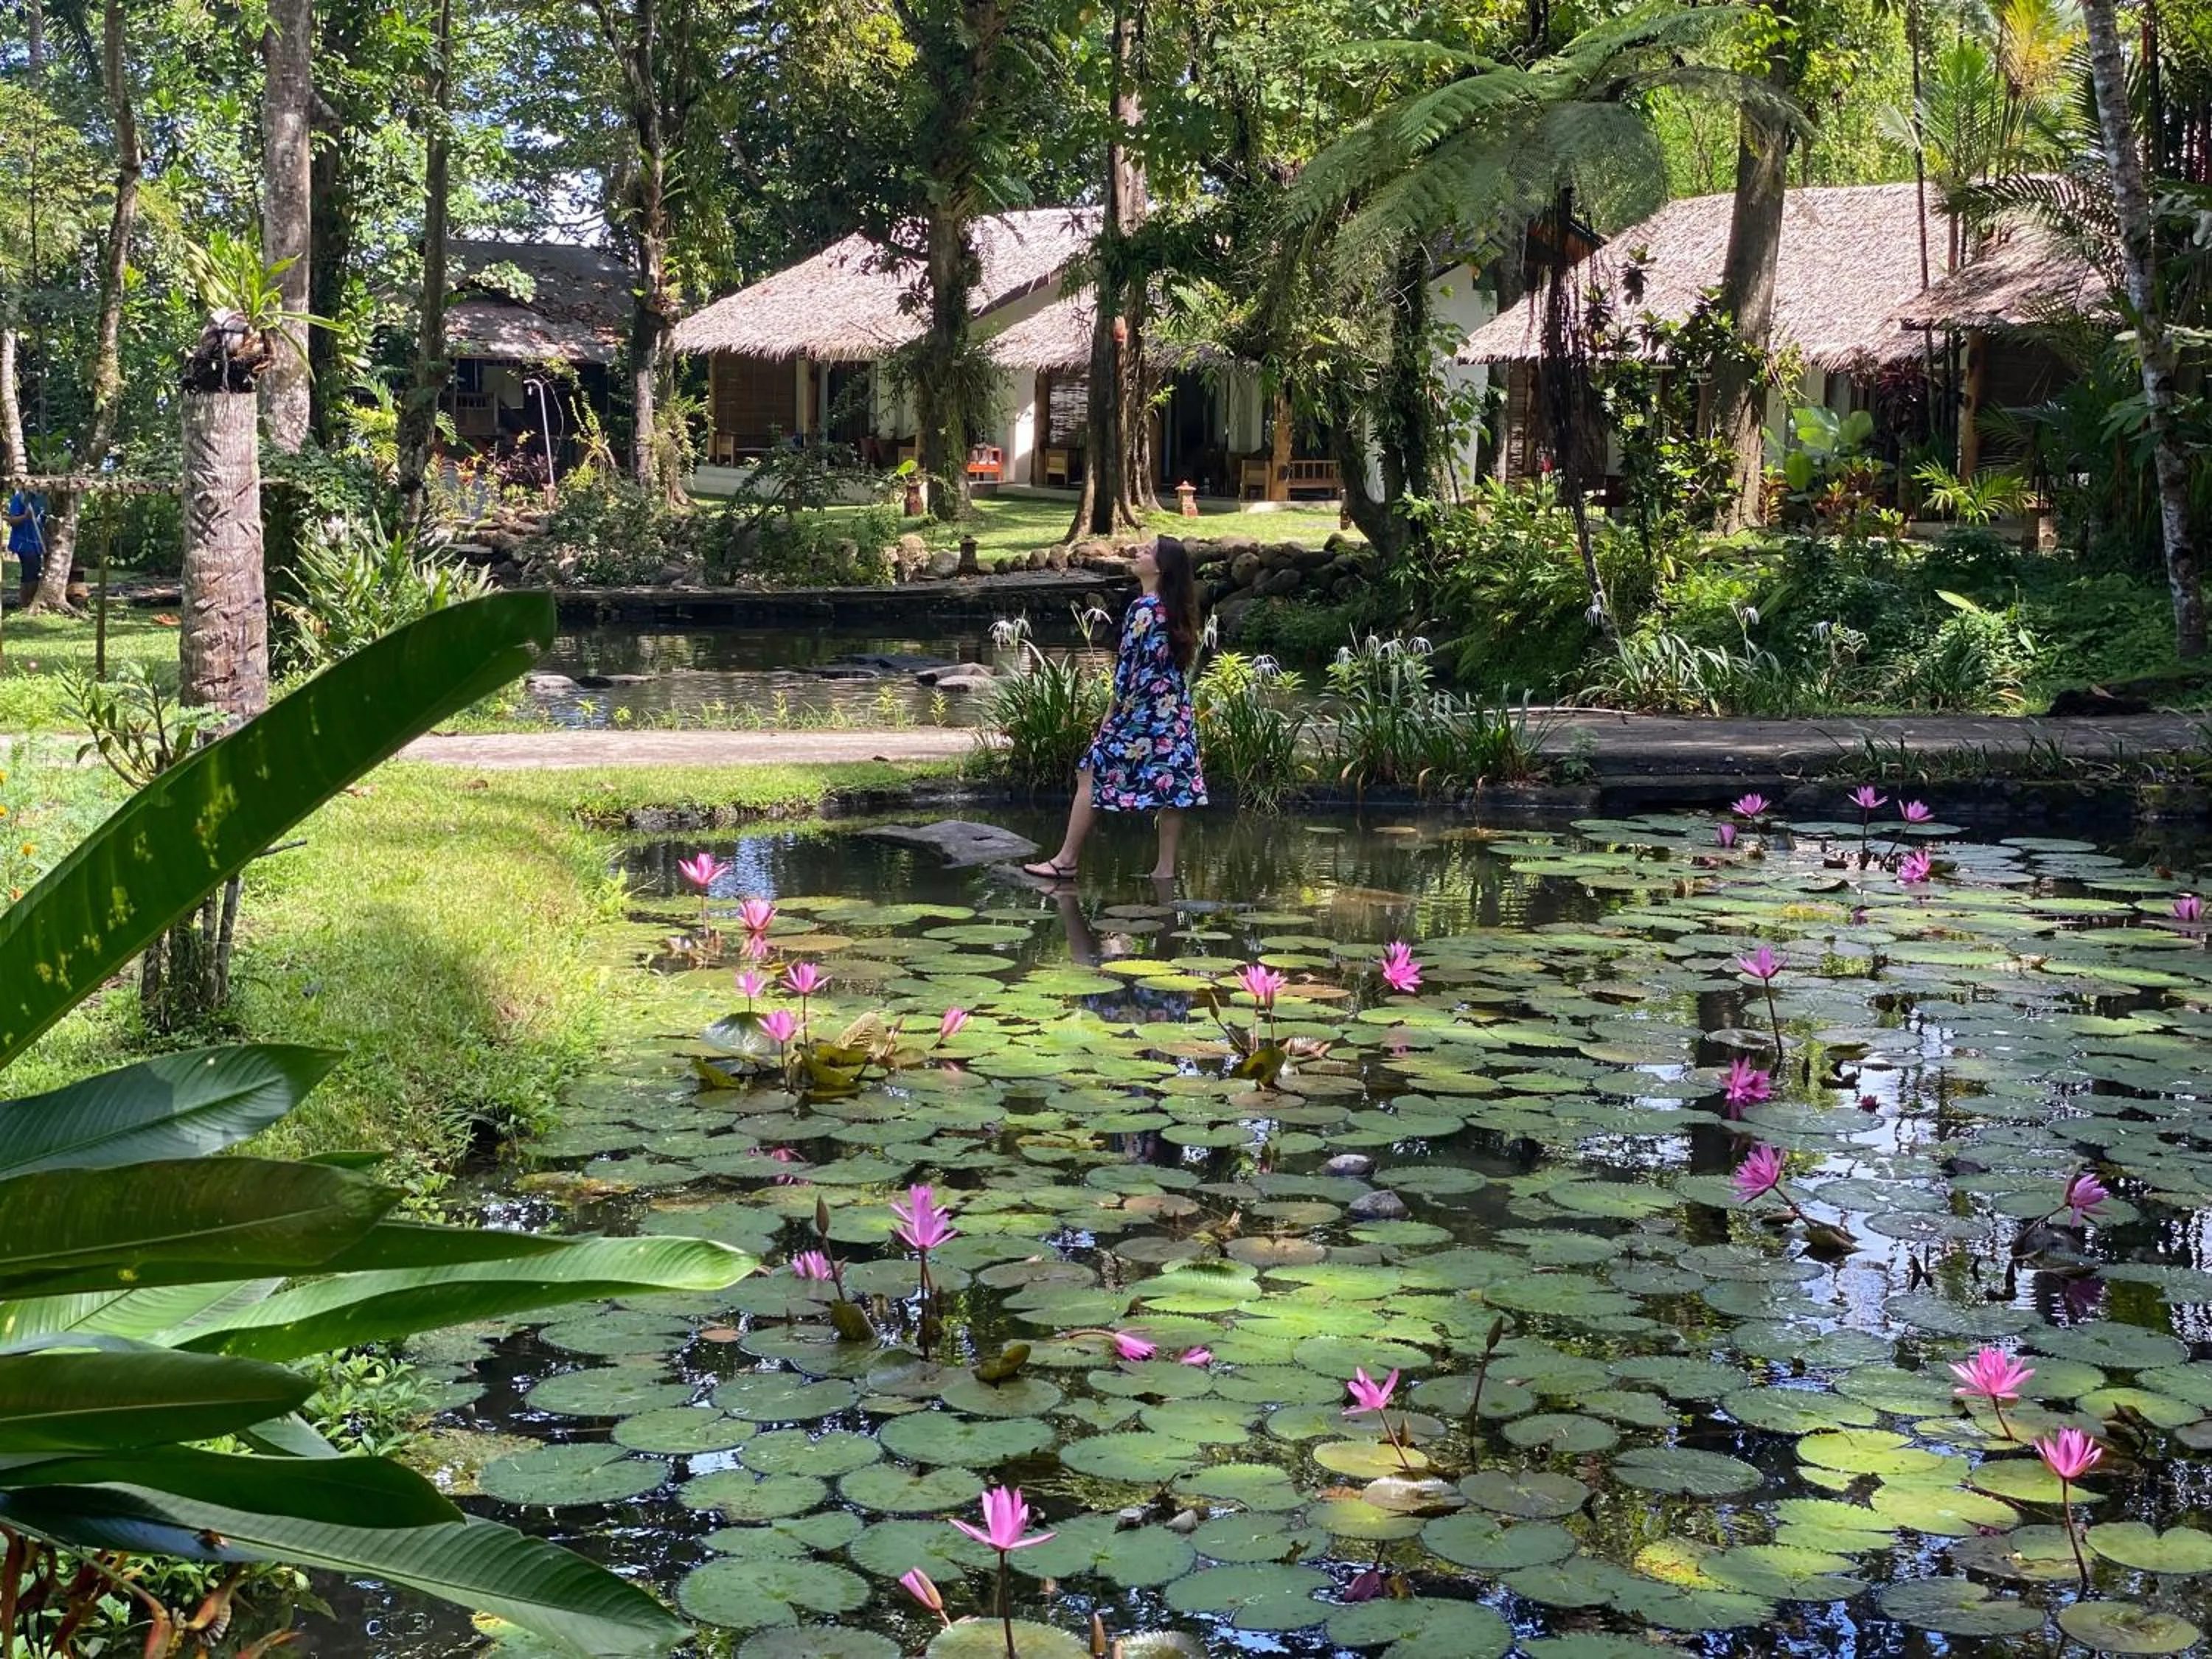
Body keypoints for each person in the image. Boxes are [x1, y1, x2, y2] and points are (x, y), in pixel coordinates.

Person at [1023, 534, 1207, 884]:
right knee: (1173, 789)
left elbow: (1128, 669)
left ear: (1161, 567)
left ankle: (1066, 860)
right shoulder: (1176, 610)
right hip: (1174, 717)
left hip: (1141, 716)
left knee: (1089, 773)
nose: (1138, 552)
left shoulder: (1144, 609)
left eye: (1148, 550)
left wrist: (1111, 714)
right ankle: (1164, 871)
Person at [4, 486, 46, 608]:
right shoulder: (19, 499)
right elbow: (12, 521)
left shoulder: (41, 499)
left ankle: (30, 602)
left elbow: (43, 521)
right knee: (30, 574)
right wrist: (25, 517)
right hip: (23, 543)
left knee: (34, 572)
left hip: (37, 542)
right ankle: (25, 604)